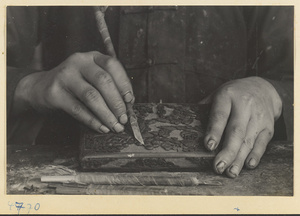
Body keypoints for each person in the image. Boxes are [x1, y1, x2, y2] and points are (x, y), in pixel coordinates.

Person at [7, 6, 293, 178]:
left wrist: (272, 93)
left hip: (228, 178)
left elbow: (291, 76)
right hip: (71, 175)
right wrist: (30, 85)